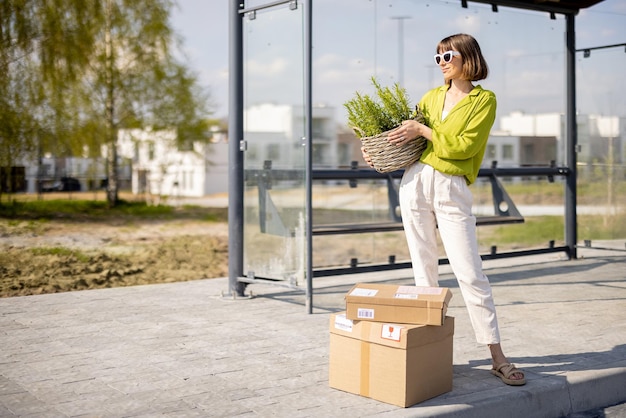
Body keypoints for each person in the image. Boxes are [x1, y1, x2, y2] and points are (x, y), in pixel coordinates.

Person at [361, 33, 525, 386]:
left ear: (468, 57)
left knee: (470, 273)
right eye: (437, 58)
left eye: (447, 55)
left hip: (451, 185)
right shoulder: (431, 98)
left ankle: (497, 357)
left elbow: (465, 146)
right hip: (415, 181)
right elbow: (410, 139)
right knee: (423, 270)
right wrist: (377, 149)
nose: (442, 63)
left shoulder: (484, 100)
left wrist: (423, 129)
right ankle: (431, 353)